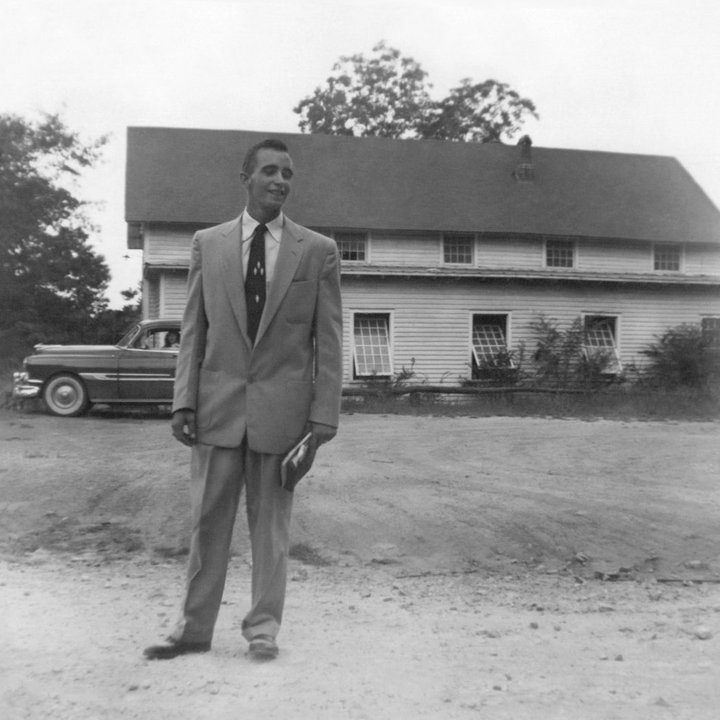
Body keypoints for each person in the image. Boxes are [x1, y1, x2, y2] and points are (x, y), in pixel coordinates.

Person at [144, 138, 343, 661]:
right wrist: (183, 401)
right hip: (217, 408)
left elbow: (329, 339)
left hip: (284, 416)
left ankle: (263, 630)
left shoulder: (317, 250)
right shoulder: (207, 244)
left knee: (271, 531)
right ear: (246, 178)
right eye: (270, 171)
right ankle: (193, 630)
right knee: (207, 524)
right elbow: (194, 328)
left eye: (288, 173)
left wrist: (324, 415)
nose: (280, 181)